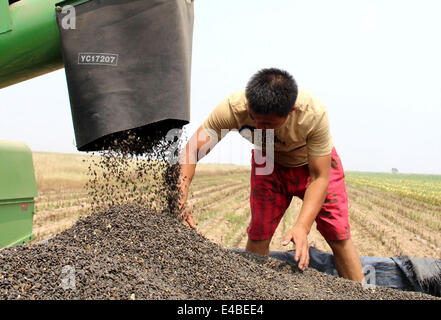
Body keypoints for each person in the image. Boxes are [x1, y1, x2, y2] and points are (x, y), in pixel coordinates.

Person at [177, 68, 364, 282]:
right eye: (256, 120)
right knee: (259, 232)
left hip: (310, 164)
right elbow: (192, 150)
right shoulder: (232, 108)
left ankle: (359, 294)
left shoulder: (313, 114)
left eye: (268, 124)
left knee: (338, 234)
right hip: (269, 162)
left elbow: (320, 177)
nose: (260, 128)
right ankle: (252, 292)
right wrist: (180, 196)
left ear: (291, 111)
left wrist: (302, 226)